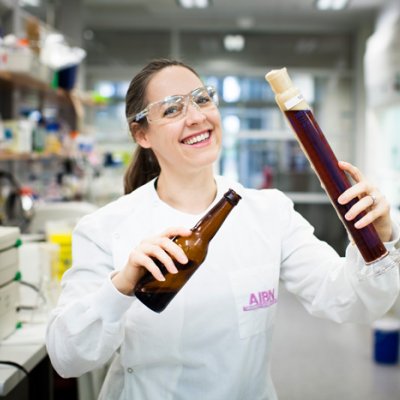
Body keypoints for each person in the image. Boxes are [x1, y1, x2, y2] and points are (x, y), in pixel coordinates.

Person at [46, 59, 400, 400]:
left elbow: (352, 301)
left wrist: (378, 238)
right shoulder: (106, 227)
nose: (196, 117)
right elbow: (67, 358)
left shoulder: (268, 212)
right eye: (172, 109)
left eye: (202, 99)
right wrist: (121, 285)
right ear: (142, 134)